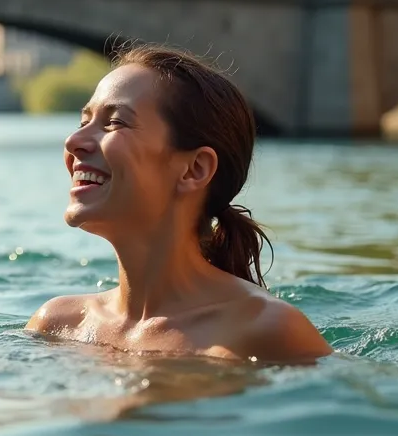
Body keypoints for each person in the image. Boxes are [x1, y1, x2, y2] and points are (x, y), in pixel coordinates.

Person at [26, 45, 332, 364]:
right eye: (83, 122)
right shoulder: (57, 326)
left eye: (114, 123)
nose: (73, 143)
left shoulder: (264, 331)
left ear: (194, 169)